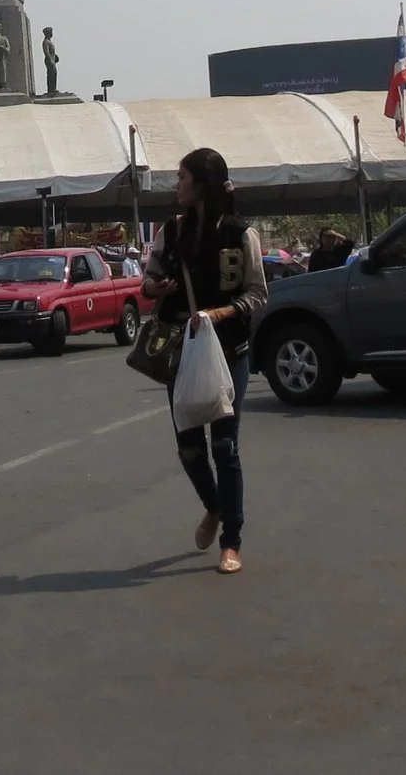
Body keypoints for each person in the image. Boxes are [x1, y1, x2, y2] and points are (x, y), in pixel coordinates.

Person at [143, 147, 266, 575]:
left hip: (229, 351)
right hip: (180, 352)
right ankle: (213, 507)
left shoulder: (240, 234)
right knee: (189, 449)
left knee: (225, 447)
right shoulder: (170, 233)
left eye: (182, 177)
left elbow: (256, 293)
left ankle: (231, 541)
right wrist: (156, 287)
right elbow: (148, 278)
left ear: (203, 184)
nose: (176, 185)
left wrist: (218, 313)